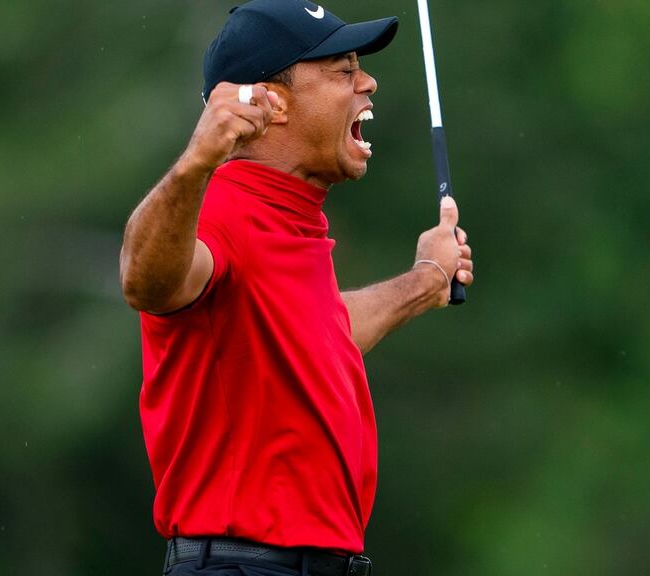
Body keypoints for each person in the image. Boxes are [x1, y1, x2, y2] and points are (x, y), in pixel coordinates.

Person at [118, 1, 474, 574]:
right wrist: (193, 166)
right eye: (344, 70)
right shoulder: (219, 210)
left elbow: (319, 332)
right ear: (271, 103)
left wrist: (424, 280)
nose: (368, 82)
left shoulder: (294, 216)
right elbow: (145, 282)